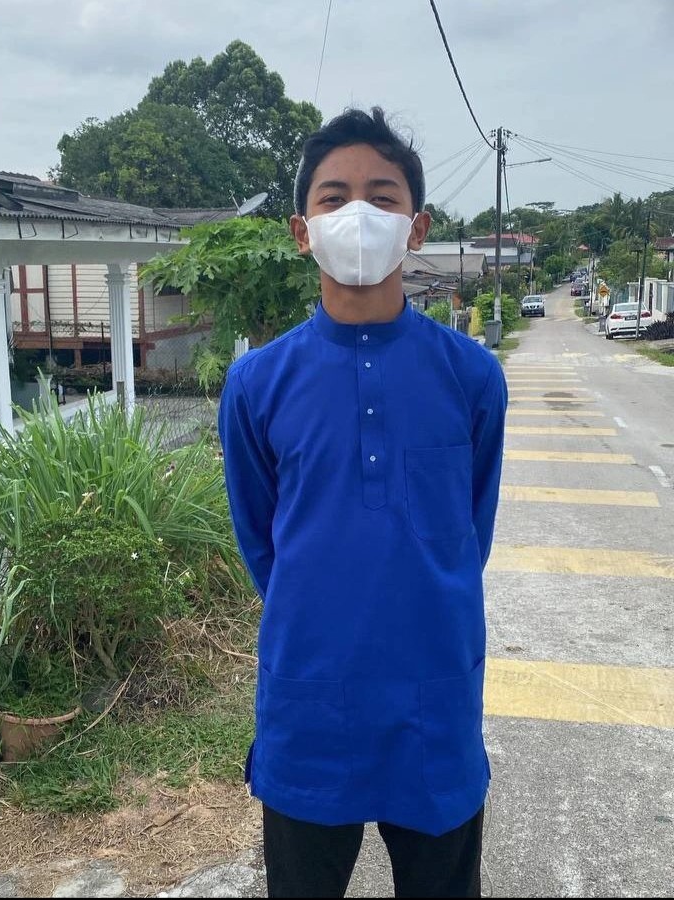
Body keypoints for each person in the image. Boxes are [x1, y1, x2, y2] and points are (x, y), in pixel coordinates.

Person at [218, 106, 508, 899]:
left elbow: (469, 534)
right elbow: (264, 542)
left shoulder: (472, 377)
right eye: (334, 197)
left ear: (416, 228)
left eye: (382, 198)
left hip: (435, 700)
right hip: (310, 705)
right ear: (300, 230)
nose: (358, 215)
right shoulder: (257, 384)